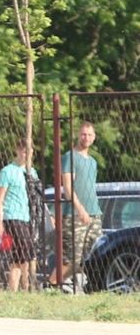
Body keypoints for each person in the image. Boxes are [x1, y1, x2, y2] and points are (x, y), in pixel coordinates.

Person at [48, 121, 102, 288]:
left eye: (89, 135)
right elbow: (68, 188)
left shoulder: (93, 162)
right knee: (71, 258)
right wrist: (81, 210)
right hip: (74, 215)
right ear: (79, 135)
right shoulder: (70, 157)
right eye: (83, 134)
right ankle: (51, 285)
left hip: (94, 213)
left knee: (91, 256)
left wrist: (93, 211)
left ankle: (70, 285)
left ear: (94, 138)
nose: (86, 137)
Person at [0, 137, 39, 292]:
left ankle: (12, 291)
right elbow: (0, 199)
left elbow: (35, 198)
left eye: (29, 150)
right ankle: (28, 288)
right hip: (13, 217)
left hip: (27, 217)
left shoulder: (31, 172)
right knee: (26, 255)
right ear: (17, 150)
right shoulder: (7, 171)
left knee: (18, 257)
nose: (25, 153)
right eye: (23, 150)